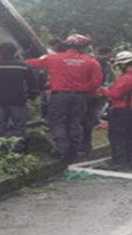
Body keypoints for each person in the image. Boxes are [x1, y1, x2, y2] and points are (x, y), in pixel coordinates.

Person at [26, 34, 103, 162]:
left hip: (59, 96)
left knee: (57, 123)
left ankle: (61, 152)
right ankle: (74, 151)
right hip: (80, 97)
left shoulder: (52, 58)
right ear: (82, 47)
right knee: (75, 122)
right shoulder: (92, 62)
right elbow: (95, 84)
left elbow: (31, 64)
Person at [101, 51, 132, 171]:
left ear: (124, 64)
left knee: (117, 137)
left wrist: (103, 90)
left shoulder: (127, 78)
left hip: (121, 110)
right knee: (131, 137)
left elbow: (115, 94)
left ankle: (120, 163)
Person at [81, 46, 116, 154]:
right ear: (108, 53)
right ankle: (86, 145)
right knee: (89, 119)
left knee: (80, 119)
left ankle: (81, 145)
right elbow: (109, 80)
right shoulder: (105, 64)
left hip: (83, 94)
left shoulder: (87, 61)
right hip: (96, 95)